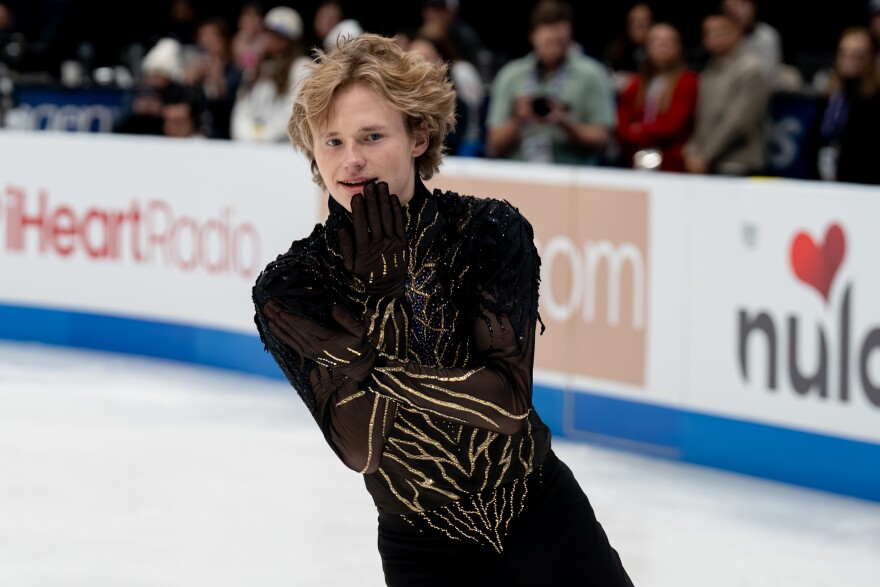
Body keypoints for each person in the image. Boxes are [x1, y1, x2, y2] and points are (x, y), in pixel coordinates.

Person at [250, 33, 634, 586]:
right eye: (331, 142)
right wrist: (381, 304)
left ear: (418, 135)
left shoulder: (487, 232)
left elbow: (504, 405)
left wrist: (369, 349)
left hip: (547, 521)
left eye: (372, 136)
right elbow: (360, 448)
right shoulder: (293, 287)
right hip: (425, 553)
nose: (351, 160)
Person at [484, 0, 616, 166]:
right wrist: (518, 118)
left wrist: (565, 122)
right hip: (519, 172)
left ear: (570, 37)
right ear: (532, 37)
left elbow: (601, 140)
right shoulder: (511, 75)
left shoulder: (592, 74)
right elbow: (494, 144)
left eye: (560, 42)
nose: (554, 48)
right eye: (548, 42)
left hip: (573, 174)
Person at [683, 11, 769, 176]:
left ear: (737, 31)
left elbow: (738, 122)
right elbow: (699, 120)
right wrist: (692, 152)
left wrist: (704, 156)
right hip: (705, 162)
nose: (715, 36)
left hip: (737, 163)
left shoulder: (751, 69)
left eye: (721, 30)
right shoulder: (708, 71)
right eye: (709, 32)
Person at [615, 22, 699, 172]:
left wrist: (639, 130)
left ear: (679, 47)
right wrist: (632, 134)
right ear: (646, 47)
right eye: (656, 41)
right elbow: (621, 122)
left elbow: (673, 125)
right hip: (634, 158)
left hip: (672, 163)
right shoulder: (636, 84)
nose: (662, 45)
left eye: (668, 41)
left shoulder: (687, 81)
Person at [803, 26, 880, 184]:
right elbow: (812, 144)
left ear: (871, 58)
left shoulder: (875, 101)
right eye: (844, 53)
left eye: (857, 55)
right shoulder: (831, 97)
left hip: (863, 188)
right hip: (824, 182)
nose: (849, 61)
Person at [230, 5, 311, 143]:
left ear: (292, 39)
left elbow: (296, 111)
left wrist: (266, 136)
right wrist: (249, 135)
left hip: (284, 147)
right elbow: (240, 109)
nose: (272, 38)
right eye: (268, 32)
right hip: (248, 144)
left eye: (279, 34)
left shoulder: (302, 67)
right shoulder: (255, 68)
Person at [183, 16, 243, 139]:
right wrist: (188, 85)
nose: (207, 41)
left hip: (223, 138)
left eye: (212, 36)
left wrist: (216, 80)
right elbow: (188, 108)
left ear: (224, 40)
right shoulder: (195, 70)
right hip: (195, 137)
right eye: (203, 35)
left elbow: (229, 108)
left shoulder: (235, 72)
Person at [721, 0, 783, 85]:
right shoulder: (721, 35)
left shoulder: (766, 35)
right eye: (729, 9)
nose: (736, 11)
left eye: (741, 5)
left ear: (752, 7)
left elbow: (767, 75)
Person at [604, 2, 655, 93]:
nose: (639, 25)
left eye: (644, 21)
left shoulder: (659, 53)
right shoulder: (616, 52)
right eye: (634, 21)